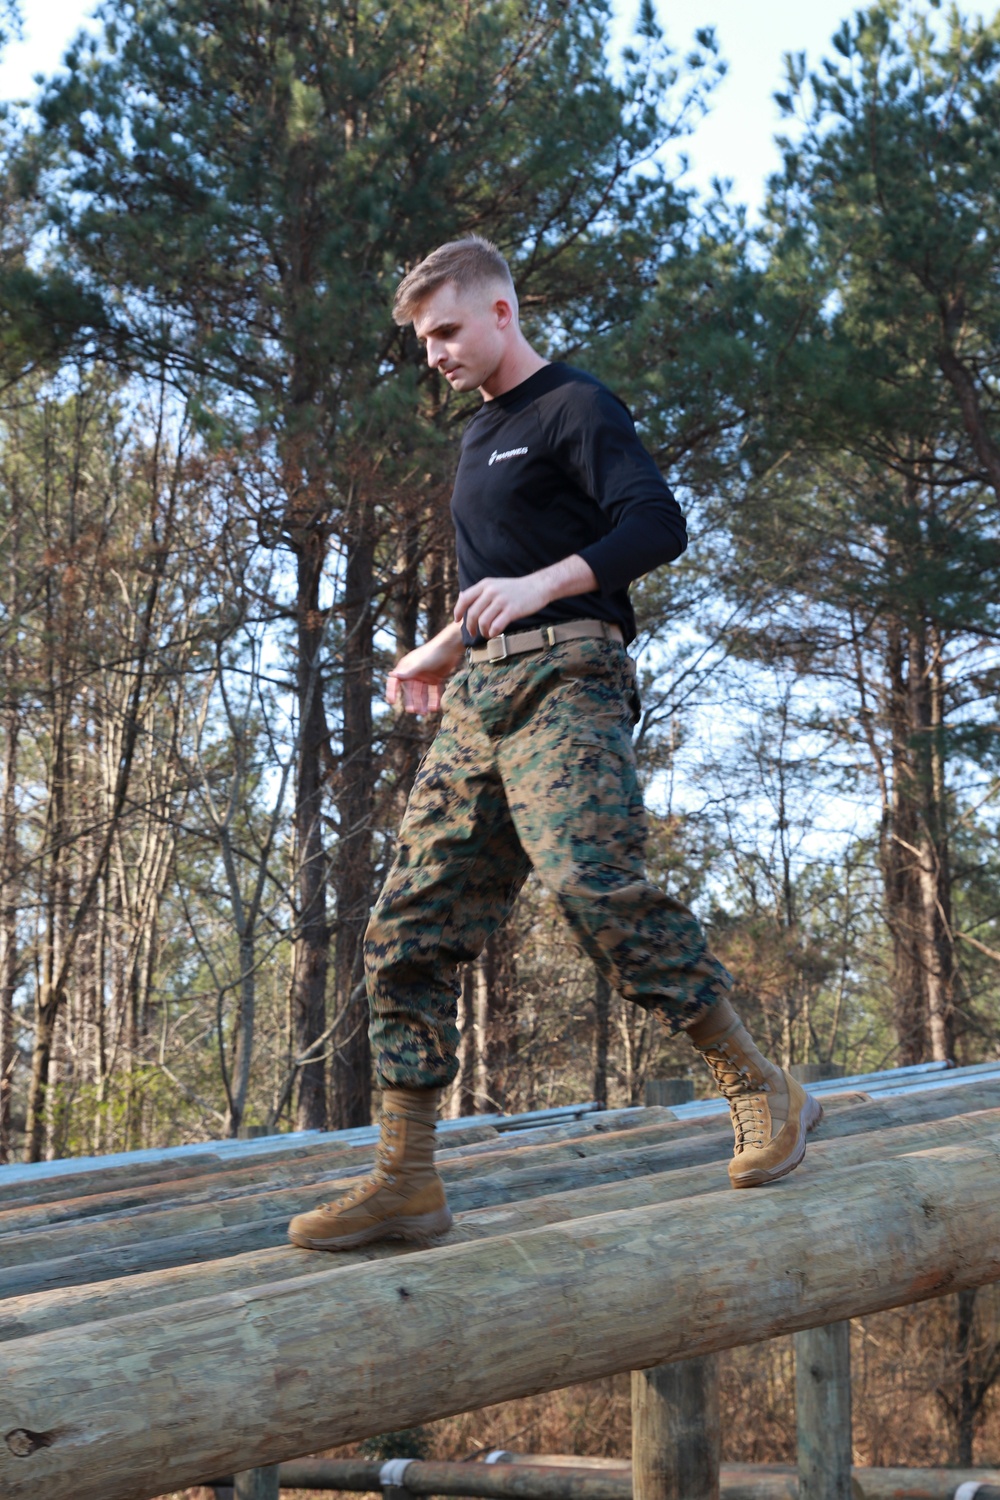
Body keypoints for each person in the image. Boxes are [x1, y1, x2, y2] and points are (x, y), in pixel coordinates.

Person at [288, 236, 821, 1252]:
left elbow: (656, 524)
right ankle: (405, 1179)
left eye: (445, 331)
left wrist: (542, 588)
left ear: (500, 312)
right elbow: (496, 580)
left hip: (570, 675)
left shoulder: (577, 407)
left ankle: (763, 1089)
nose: (433, 354)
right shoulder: (475, 440)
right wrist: (439, 649)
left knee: (591, 880)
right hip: (481, 696)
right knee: (406, 925)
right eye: (421, 339)